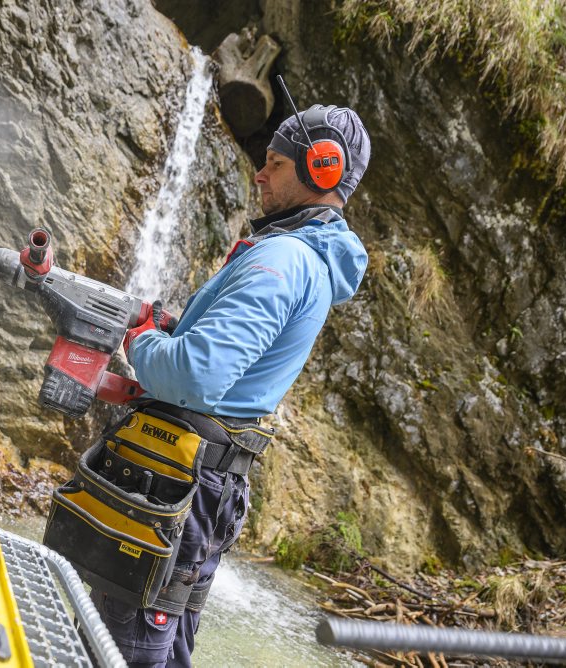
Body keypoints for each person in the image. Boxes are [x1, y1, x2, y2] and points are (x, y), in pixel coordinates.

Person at [93, 103, 371, 666]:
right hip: (200, 479)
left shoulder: (285, 259)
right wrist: (177, 330)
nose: (260, 174)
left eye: (274, 163)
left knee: (122, 647)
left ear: (319, 169)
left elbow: (196, 376)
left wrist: (143, 338)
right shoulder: (304, 258)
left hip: (176, 479)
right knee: (159, 641)